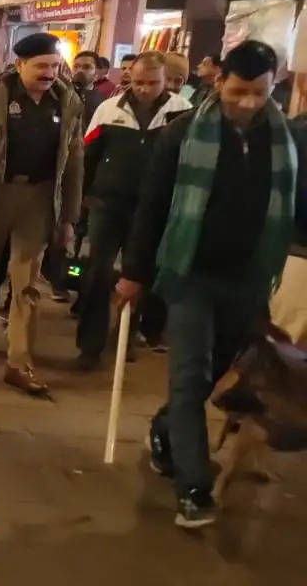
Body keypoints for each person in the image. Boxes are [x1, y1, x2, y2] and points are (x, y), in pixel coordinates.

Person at [122, 40, 305, 529]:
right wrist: (133, 272)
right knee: (188, 375)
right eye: (239, 91)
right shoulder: (182, 135)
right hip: (190, 276)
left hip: (248, 280)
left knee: (210, 379)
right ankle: (195, 489)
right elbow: (152, 207)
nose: (248, 102)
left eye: (260, 92)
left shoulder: (286, 141)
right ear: (219, 80)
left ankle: (165, 431)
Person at [0, 32, 84, 396]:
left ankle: (19, 361)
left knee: (26, 282)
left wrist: (69, 216)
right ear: (20, 64)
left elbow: (74, 163)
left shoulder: (68, 102)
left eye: (54, 66)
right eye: (41, 66)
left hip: (40, 199)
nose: (48, 73)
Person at [76, 52, 191, 371]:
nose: (144, 88)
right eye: (138, 82)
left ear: (166, 81)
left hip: (155, 208)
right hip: (108, 203)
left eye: (152, 83)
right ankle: (89, 344)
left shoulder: (181, 113)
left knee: (140, 273)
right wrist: (83, 199)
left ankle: (128, 336)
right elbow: (89, 156)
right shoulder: (108, 109)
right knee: (97, 272)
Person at [71, 50, 104, 125]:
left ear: (97, 73)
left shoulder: (101, 102)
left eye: (87, 67)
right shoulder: (61, 93)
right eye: (76, 67)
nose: (79, 70)